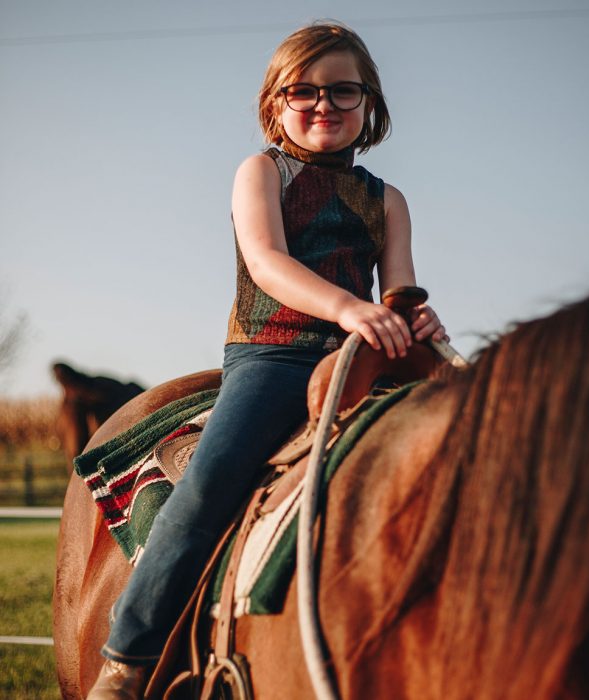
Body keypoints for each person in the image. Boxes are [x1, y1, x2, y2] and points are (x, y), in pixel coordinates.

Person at [87, 21, 448, 698]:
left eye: (343, 91)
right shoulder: (261, 172)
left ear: (368, 102)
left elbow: (397, 284)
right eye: (303, 91)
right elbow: (267, 262)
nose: (324, 105)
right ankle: (126, 657)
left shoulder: (387, 199)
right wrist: (345, 307)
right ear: (273, 103)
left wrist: (414, 316)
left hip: (362, 360)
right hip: (273, 356)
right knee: (209, 486)